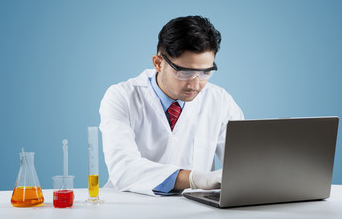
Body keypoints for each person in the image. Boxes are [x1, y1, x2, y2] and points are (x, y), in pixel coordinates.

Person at [99, 15, 244, 196]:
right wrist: (195, 179)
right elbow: (123, 169)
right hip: (130, 206)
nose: (195, 84)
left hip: (193, 209)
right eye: (184, 72)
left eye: (206, 72)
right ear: (158, 63)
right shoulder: (121, 97)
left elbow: (243, 164)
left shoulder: (220, 101)